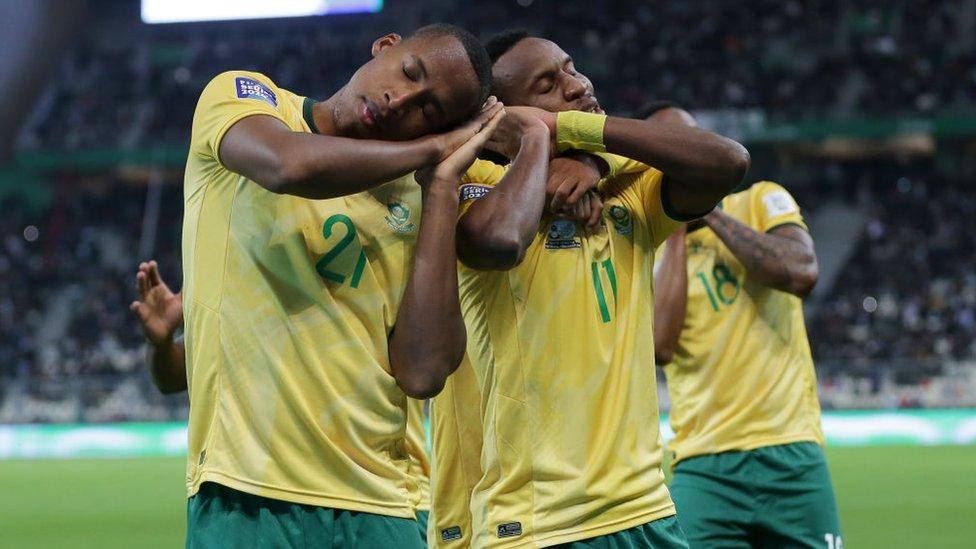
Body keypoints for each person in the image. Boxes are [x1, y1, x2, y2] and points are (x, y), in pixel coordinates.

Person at [180, 23, 506, 547]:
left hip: (388, 504)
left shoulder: (426, 194)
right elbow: (288, 165)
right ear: (385, 46)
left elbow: (422, 373)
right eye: (409, 73)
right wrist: (432, 148)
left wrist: (443, 186)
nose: (400, 100)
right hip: (249, 492)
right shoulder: (250, 99)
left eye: (429, 110)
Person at [430, 29, 750, 548]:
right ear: (502, 113)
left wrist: (582, 142)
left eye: (571, 67)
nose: (577, 84)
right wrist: (540, 144)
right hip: (541, 522)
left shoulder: (630, 191)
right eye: (547, 84)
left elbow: (727, 161)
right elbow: (496, 240)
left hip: (648, 509)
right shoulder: (472, 188)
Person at [649, 103, 842, 549]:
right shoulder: (647, 240)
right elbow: (661, 345)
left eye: (692, 143)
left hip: (790, 449)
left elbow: (800, 273)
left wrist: (708, 207)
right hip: (703, 462)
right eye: (670, 152)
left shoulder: (758, 200)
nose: (685, 156)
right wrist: (675, 221)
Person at [129, 260, 432, 543]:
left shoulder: (386, 234)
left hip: (383, 491)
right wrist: (162, 344)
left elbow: (425, 369)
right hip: (256, 493)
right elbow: (177, 376)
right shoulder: (235, 253)